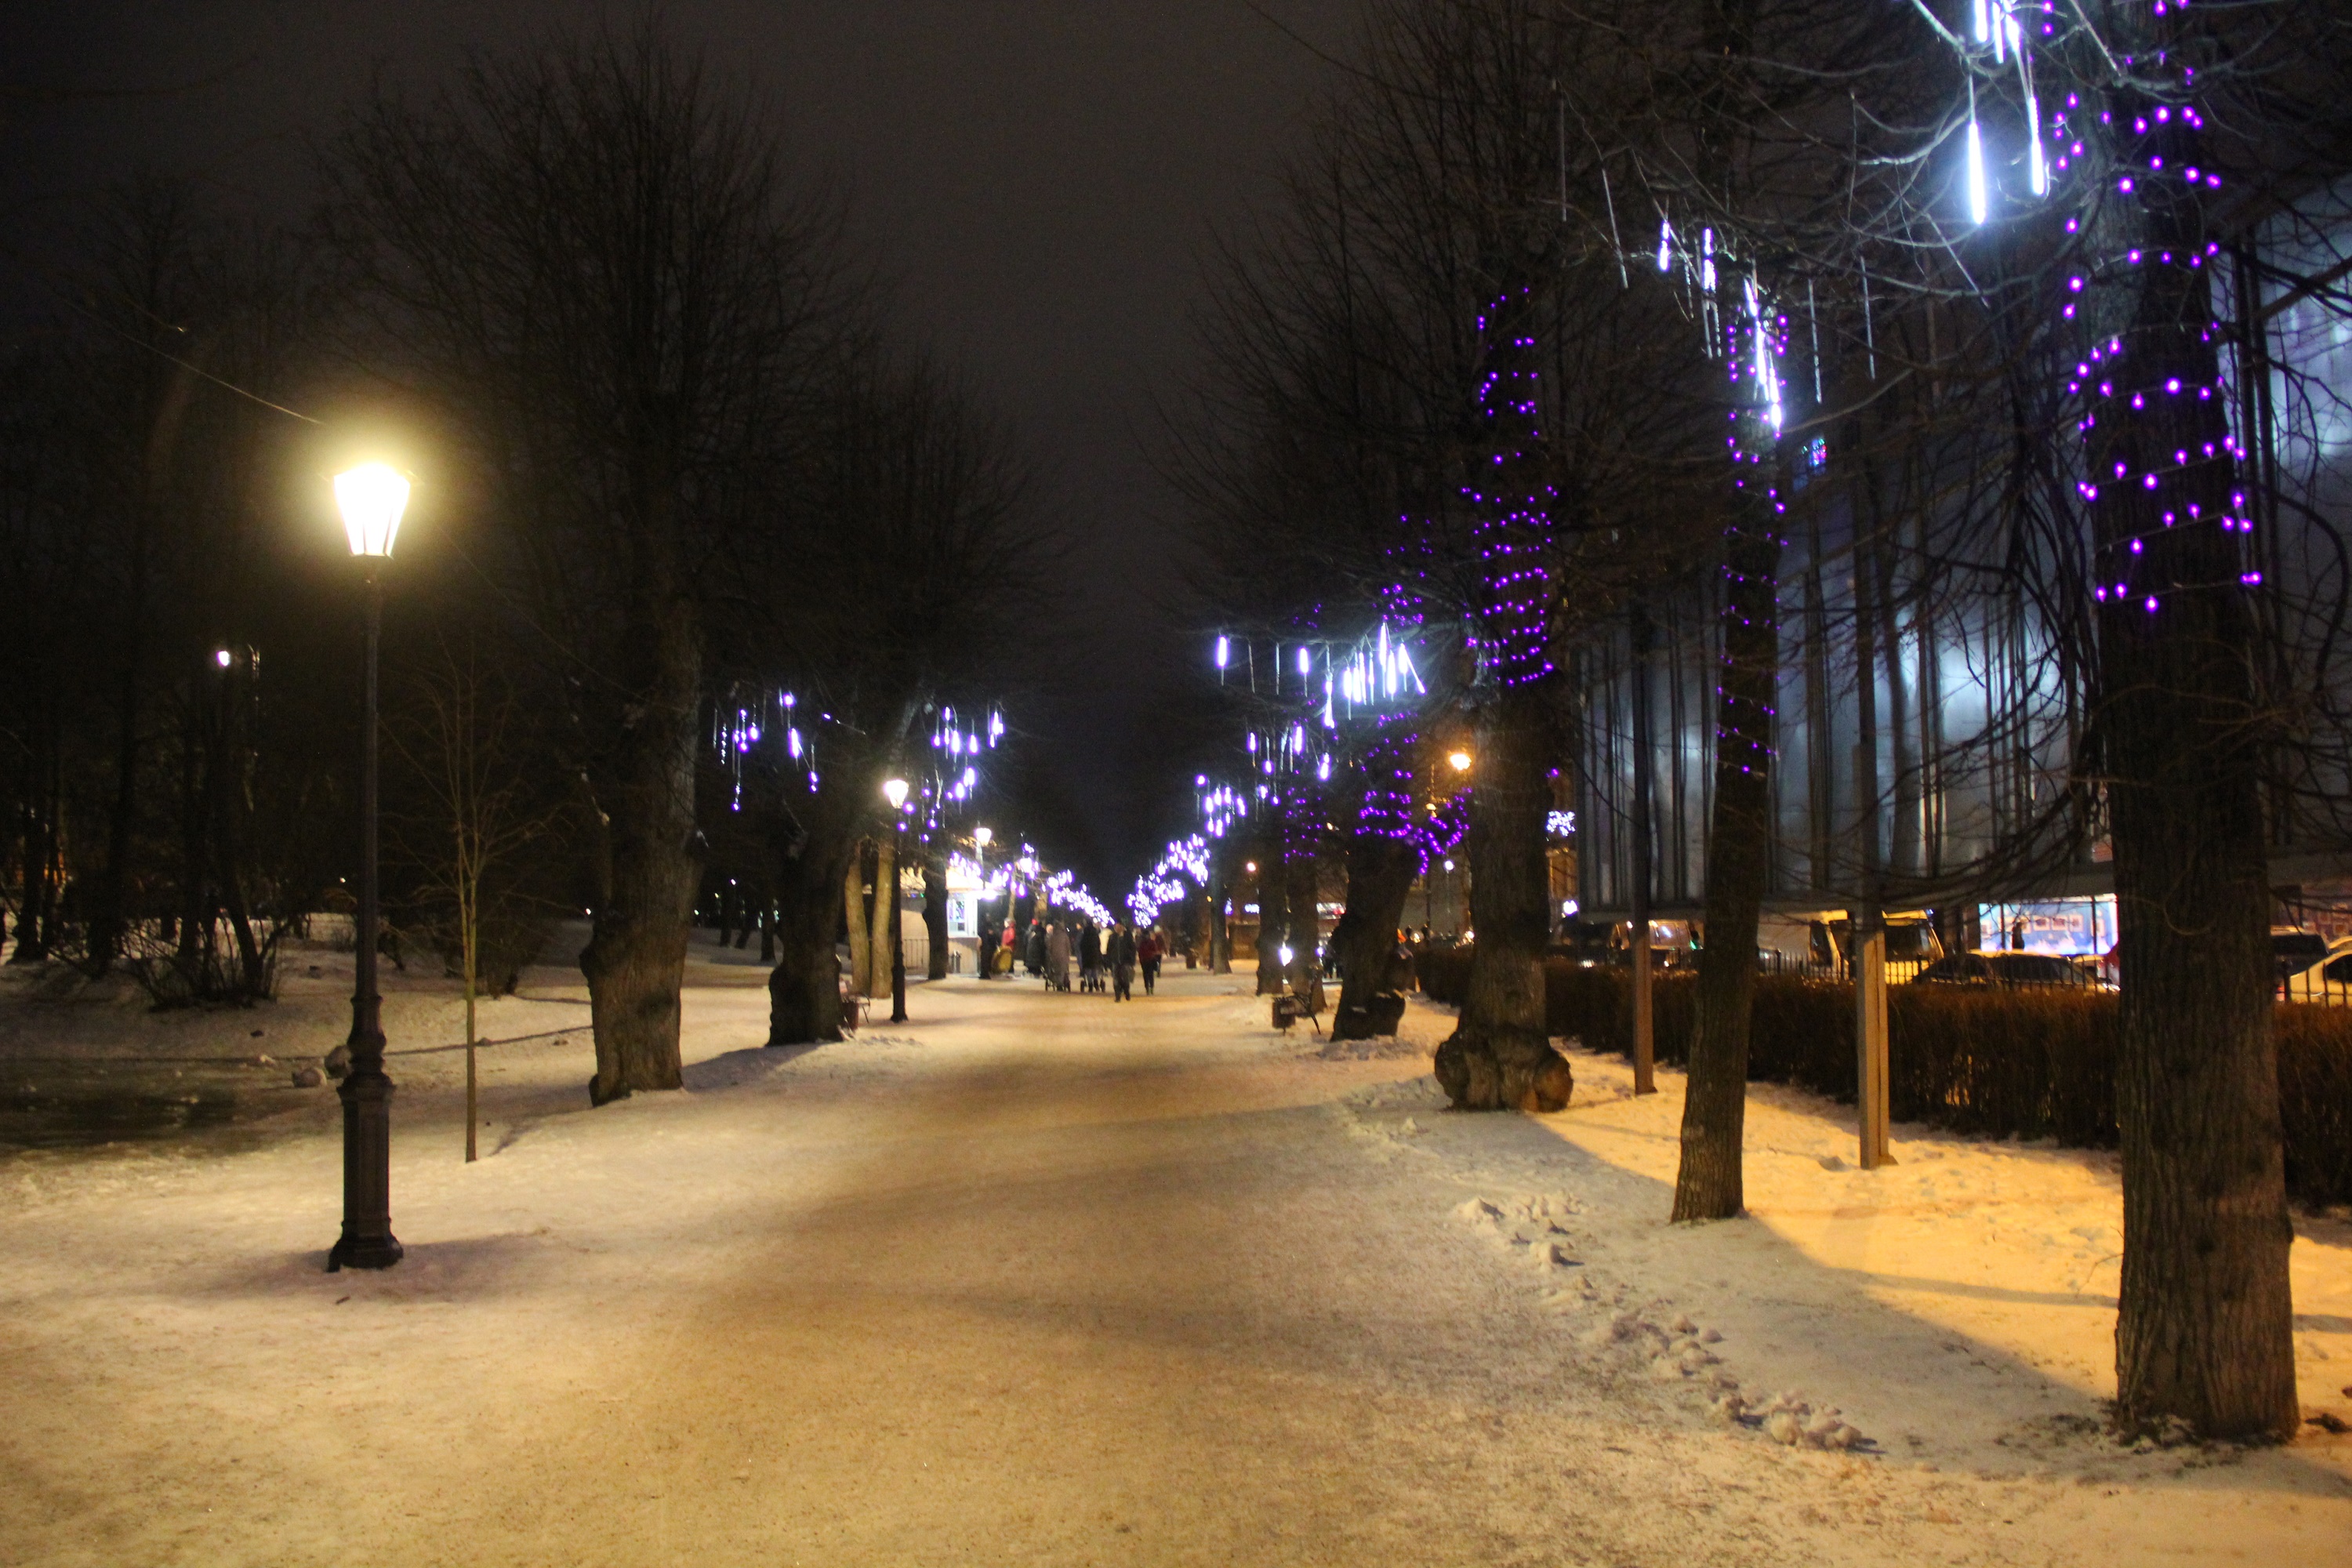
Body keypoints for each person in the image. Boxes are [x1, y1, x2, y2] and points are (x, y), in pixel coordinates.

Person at [1108, 920, 1138, 1001]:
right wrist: (1109, 960)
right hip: (1115, 961)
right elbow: (1109, 949)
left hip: (1126, 961)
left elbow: (1133, 948)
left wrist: (1132, 960)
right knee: (1116, 979)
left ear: (1122, 927)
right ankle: (1117, 996)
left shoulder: (1128, 936)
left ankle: (1127, 992)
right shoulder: (1112, 937)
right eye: (1116, 927)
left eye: (1119, 926)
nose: (1117, 928)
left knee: (1126, 979)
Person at [1137, 924, 1163, 995]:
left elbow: (1141, 952)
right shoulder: (1146, 943)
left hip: (1149, 960)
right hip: (1146, 960)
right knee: (1148, 975)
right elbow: (1141, 952)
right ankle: (1149, 988)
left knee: (1148, 975)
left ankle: (1150, 987)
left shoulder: (1146, 943)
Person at [1047, 920, 1072, 992]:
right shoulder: (1065, 936)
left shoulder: (1052, 936)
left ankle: (1057, 982)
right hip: (1063, 956)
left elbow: (1049, 946)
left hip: (1054, 956)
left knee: (1056, 970)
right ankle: (1060, 984)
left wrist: (1051, 952)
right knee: (1062, 971)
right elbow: (1068, 946)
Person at [1080, 920, 1104, 993]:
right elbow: (1099, 944)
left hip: (1086, 955)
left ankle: (1090, 985)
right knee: (1094, 969)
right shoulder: (1095, 934)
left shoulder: (1085, 934)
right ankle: (1096, 984)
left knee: (1088, 971)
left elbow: (1082, 945)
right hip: (1094, 954)